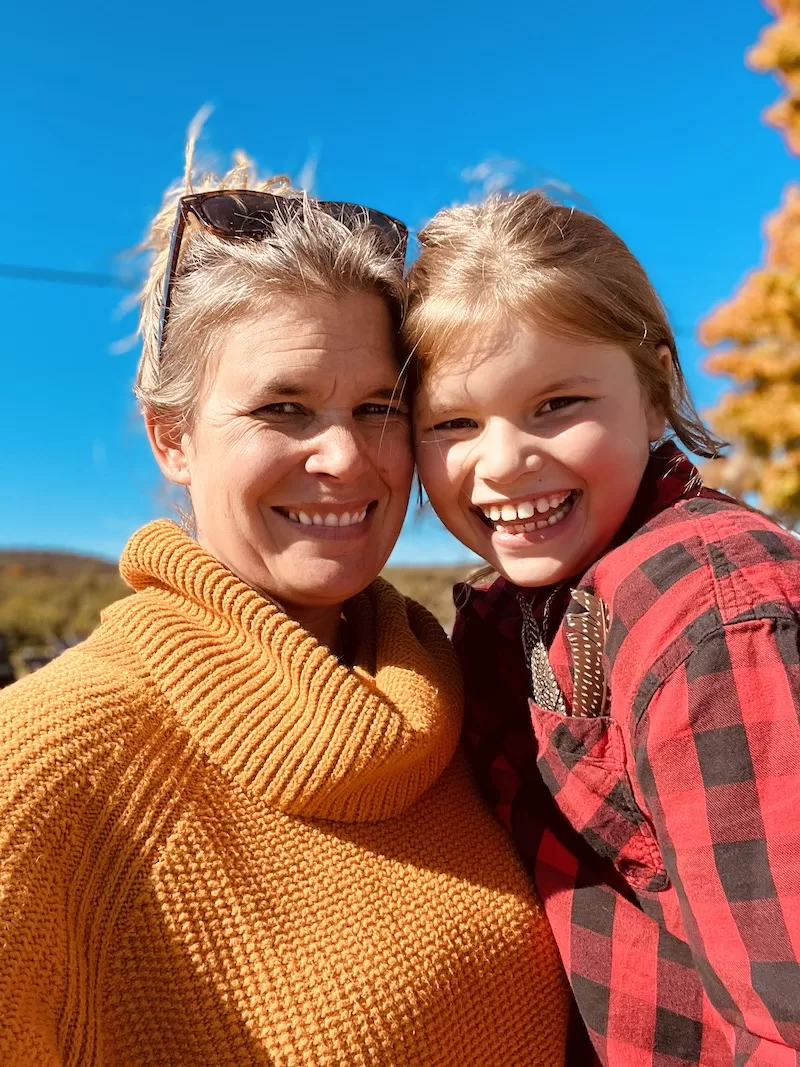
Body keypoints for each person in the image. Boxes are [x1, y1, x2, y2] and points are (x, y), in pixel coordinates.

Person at [0, 150, 570, 1066]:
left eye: (380, 405)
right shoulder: (43, 770)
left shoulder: (478, 700)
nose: (345, 458)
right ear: (172, 437)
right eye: (284, 408)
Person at [406, 190, 800, 1066]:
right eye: (454, 423)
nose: (503, 460)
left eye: (557, 403)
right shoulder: (508, 616)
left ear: (655, 390)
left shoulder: (707, 616)